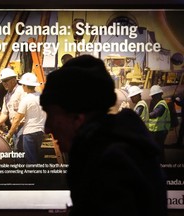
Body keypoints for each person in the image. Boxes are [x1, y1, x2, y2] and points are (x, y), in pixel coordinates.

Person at [40, 55, 167, 216]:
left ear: (78, 118)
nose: (47, 128)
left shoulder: (111, 166)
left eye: (52, 115)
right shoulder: (120, 151)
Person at [5, 73, 47, 163]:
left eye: (22, 85)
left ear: (25, 86)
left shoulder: (26, 99)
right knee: (35, 156)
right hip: (40, 131)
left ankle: (31, 176)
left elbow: (17, 119)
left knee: (30, 159)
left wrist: (9, 134)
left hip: (29, 133)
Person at [0, 68, 26, 151]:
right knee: (17, 151)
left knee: (21, 153)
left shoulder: (22, 91)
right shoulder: (7, 96)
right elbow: (4, 113)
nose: (4, 83)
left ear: (14, 80)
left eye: (6, 80)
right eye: (2, 81)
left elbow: (24, 112)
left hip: (24, 128)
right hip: (15, 128)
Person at [148, 84, 171, 160]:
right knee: (157, 148)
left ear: (160, 95)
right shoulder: (156, 103)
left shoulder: (161, 105)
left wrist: (145, 115)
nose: (153, 98)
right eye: (153, 96)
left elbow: (155, 114)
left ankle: (161, 165)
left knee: (158, 148)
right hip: (157, 130)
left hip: (161, 131)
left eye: (155, 96)